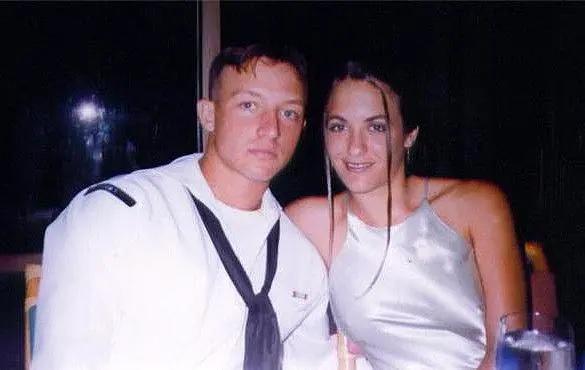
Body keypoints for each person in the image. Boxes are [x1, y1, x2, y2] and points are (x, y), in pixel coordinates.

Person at [32, 44, 338, 370]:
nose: (271, 128)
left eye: (288, 113)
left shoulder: (302, 261)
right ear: (208, 115)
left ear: (302, 127)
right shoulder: (116, 217)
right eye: (249, 105)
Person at [286, 61, 526, 370]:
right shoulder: (311, 223)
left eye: (376, 127)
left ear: (409, 134)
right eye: (339, 126)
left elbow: (508, 351)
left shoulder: (476, 205)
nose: (354, 147)